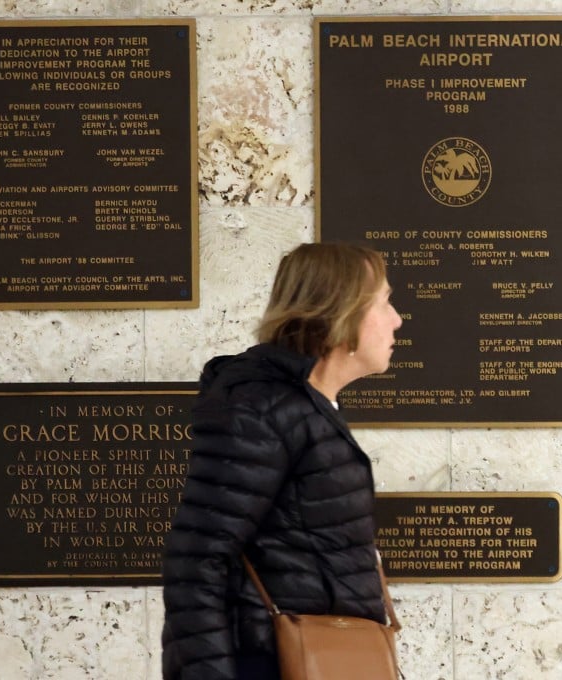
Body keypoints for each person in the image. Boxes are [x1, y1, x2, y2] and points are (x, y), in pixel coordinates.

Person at [161, 242, 403, 680]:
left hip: (328, 658)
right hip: (274, 664)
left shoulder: (306, 407)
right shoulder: (262, 410)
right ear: (341, 311)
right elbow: (197, 558)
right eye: (384, 302)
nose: (397, 320)